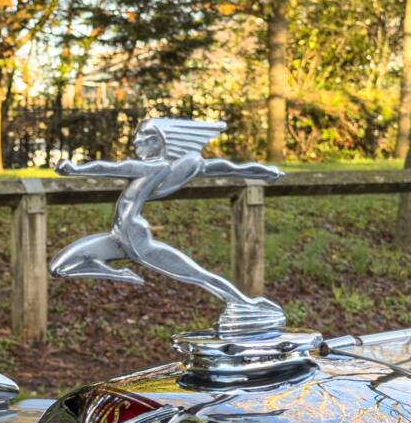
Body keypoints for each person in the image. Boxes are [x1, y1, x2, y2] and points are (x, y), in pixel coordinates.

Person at [50, 118, 283, 315]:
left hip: (137, 240)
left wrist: (77, 169)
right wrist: (264, 172)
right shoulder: (159, 169)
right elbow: (230, 168)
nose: (134, 142)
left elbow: (107, 167)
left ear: (154, 142)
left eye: (139, 138)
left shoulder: (148, 168)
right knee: (59, 267)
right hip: (118, 238)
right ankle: (119, 273)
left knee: (197, 276)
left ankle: (248, 304)